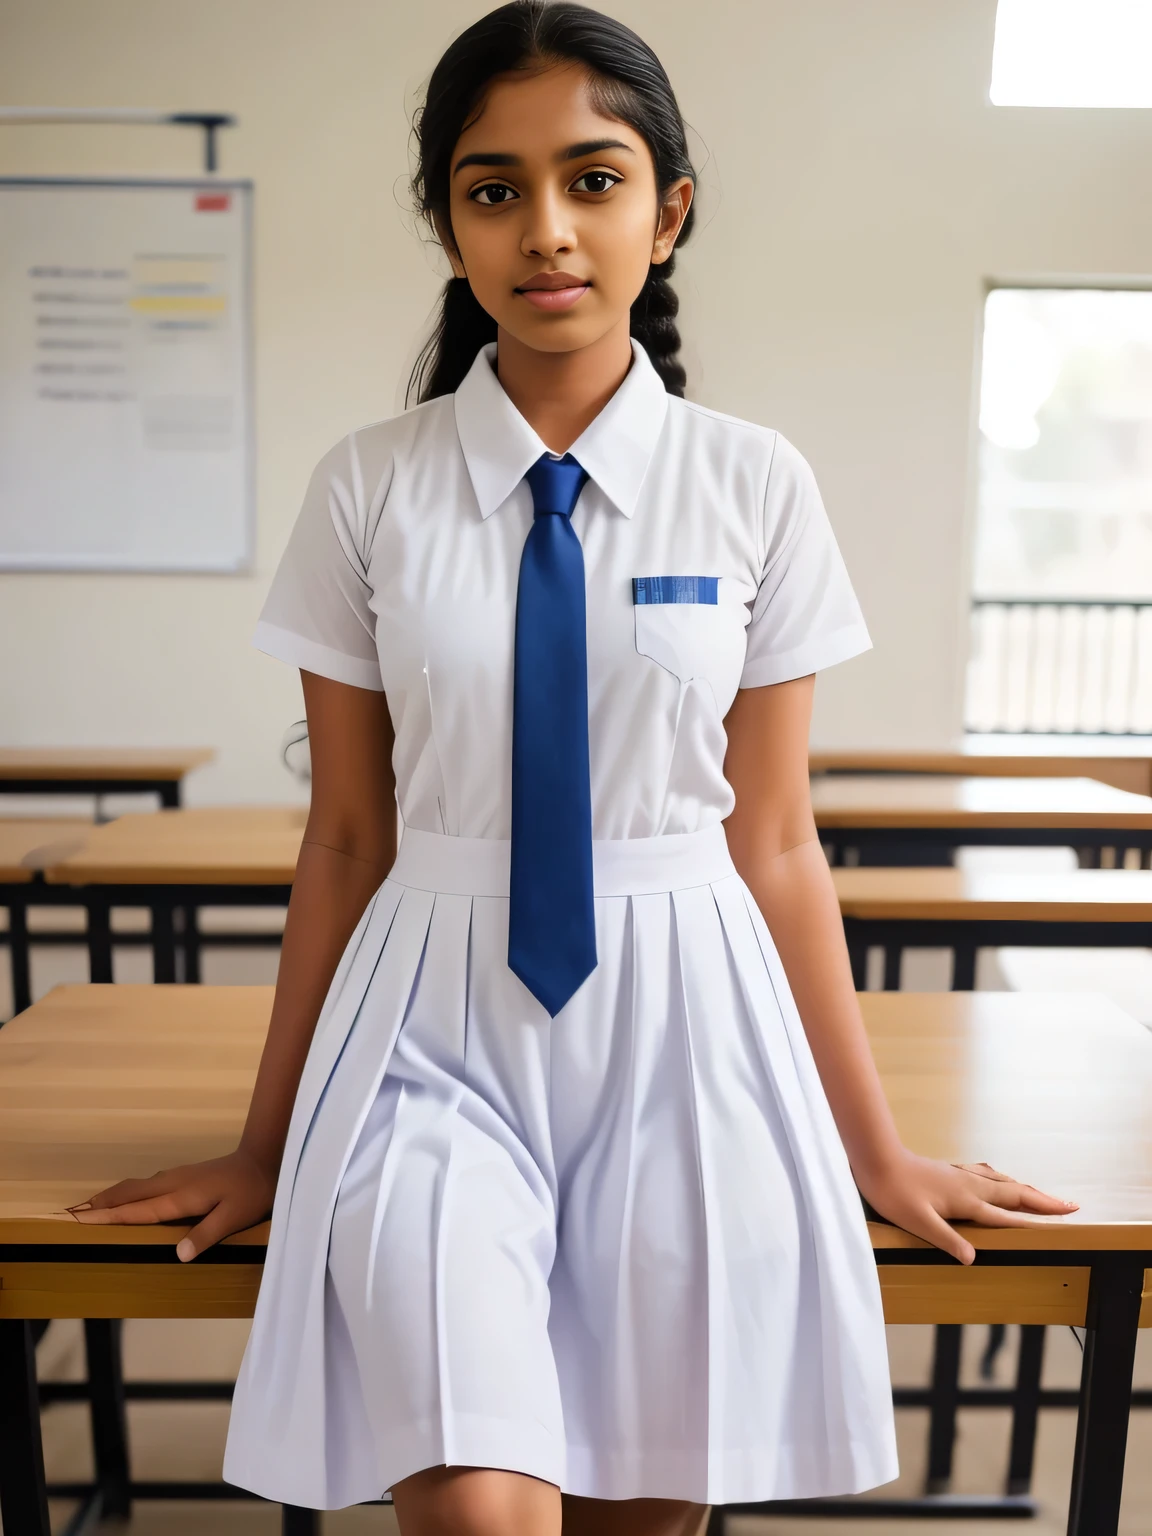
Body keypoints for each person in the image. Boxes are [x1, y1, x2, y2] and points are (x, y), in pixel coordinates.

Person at [66, 5, 1077, 1532]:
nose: (547, 230)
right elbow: (346, 837)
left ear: (668, 213)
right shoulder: (371, 489)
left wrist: (876, 1148)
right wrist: (266, 1143)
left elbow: (781, 845)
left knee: (639, 1509)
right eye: (494, 189)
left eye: (593, 180)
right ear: (449, 226)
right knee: (482, 1508)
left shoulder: (754, 484)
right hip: (429, 1033)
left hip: (694, 1036)